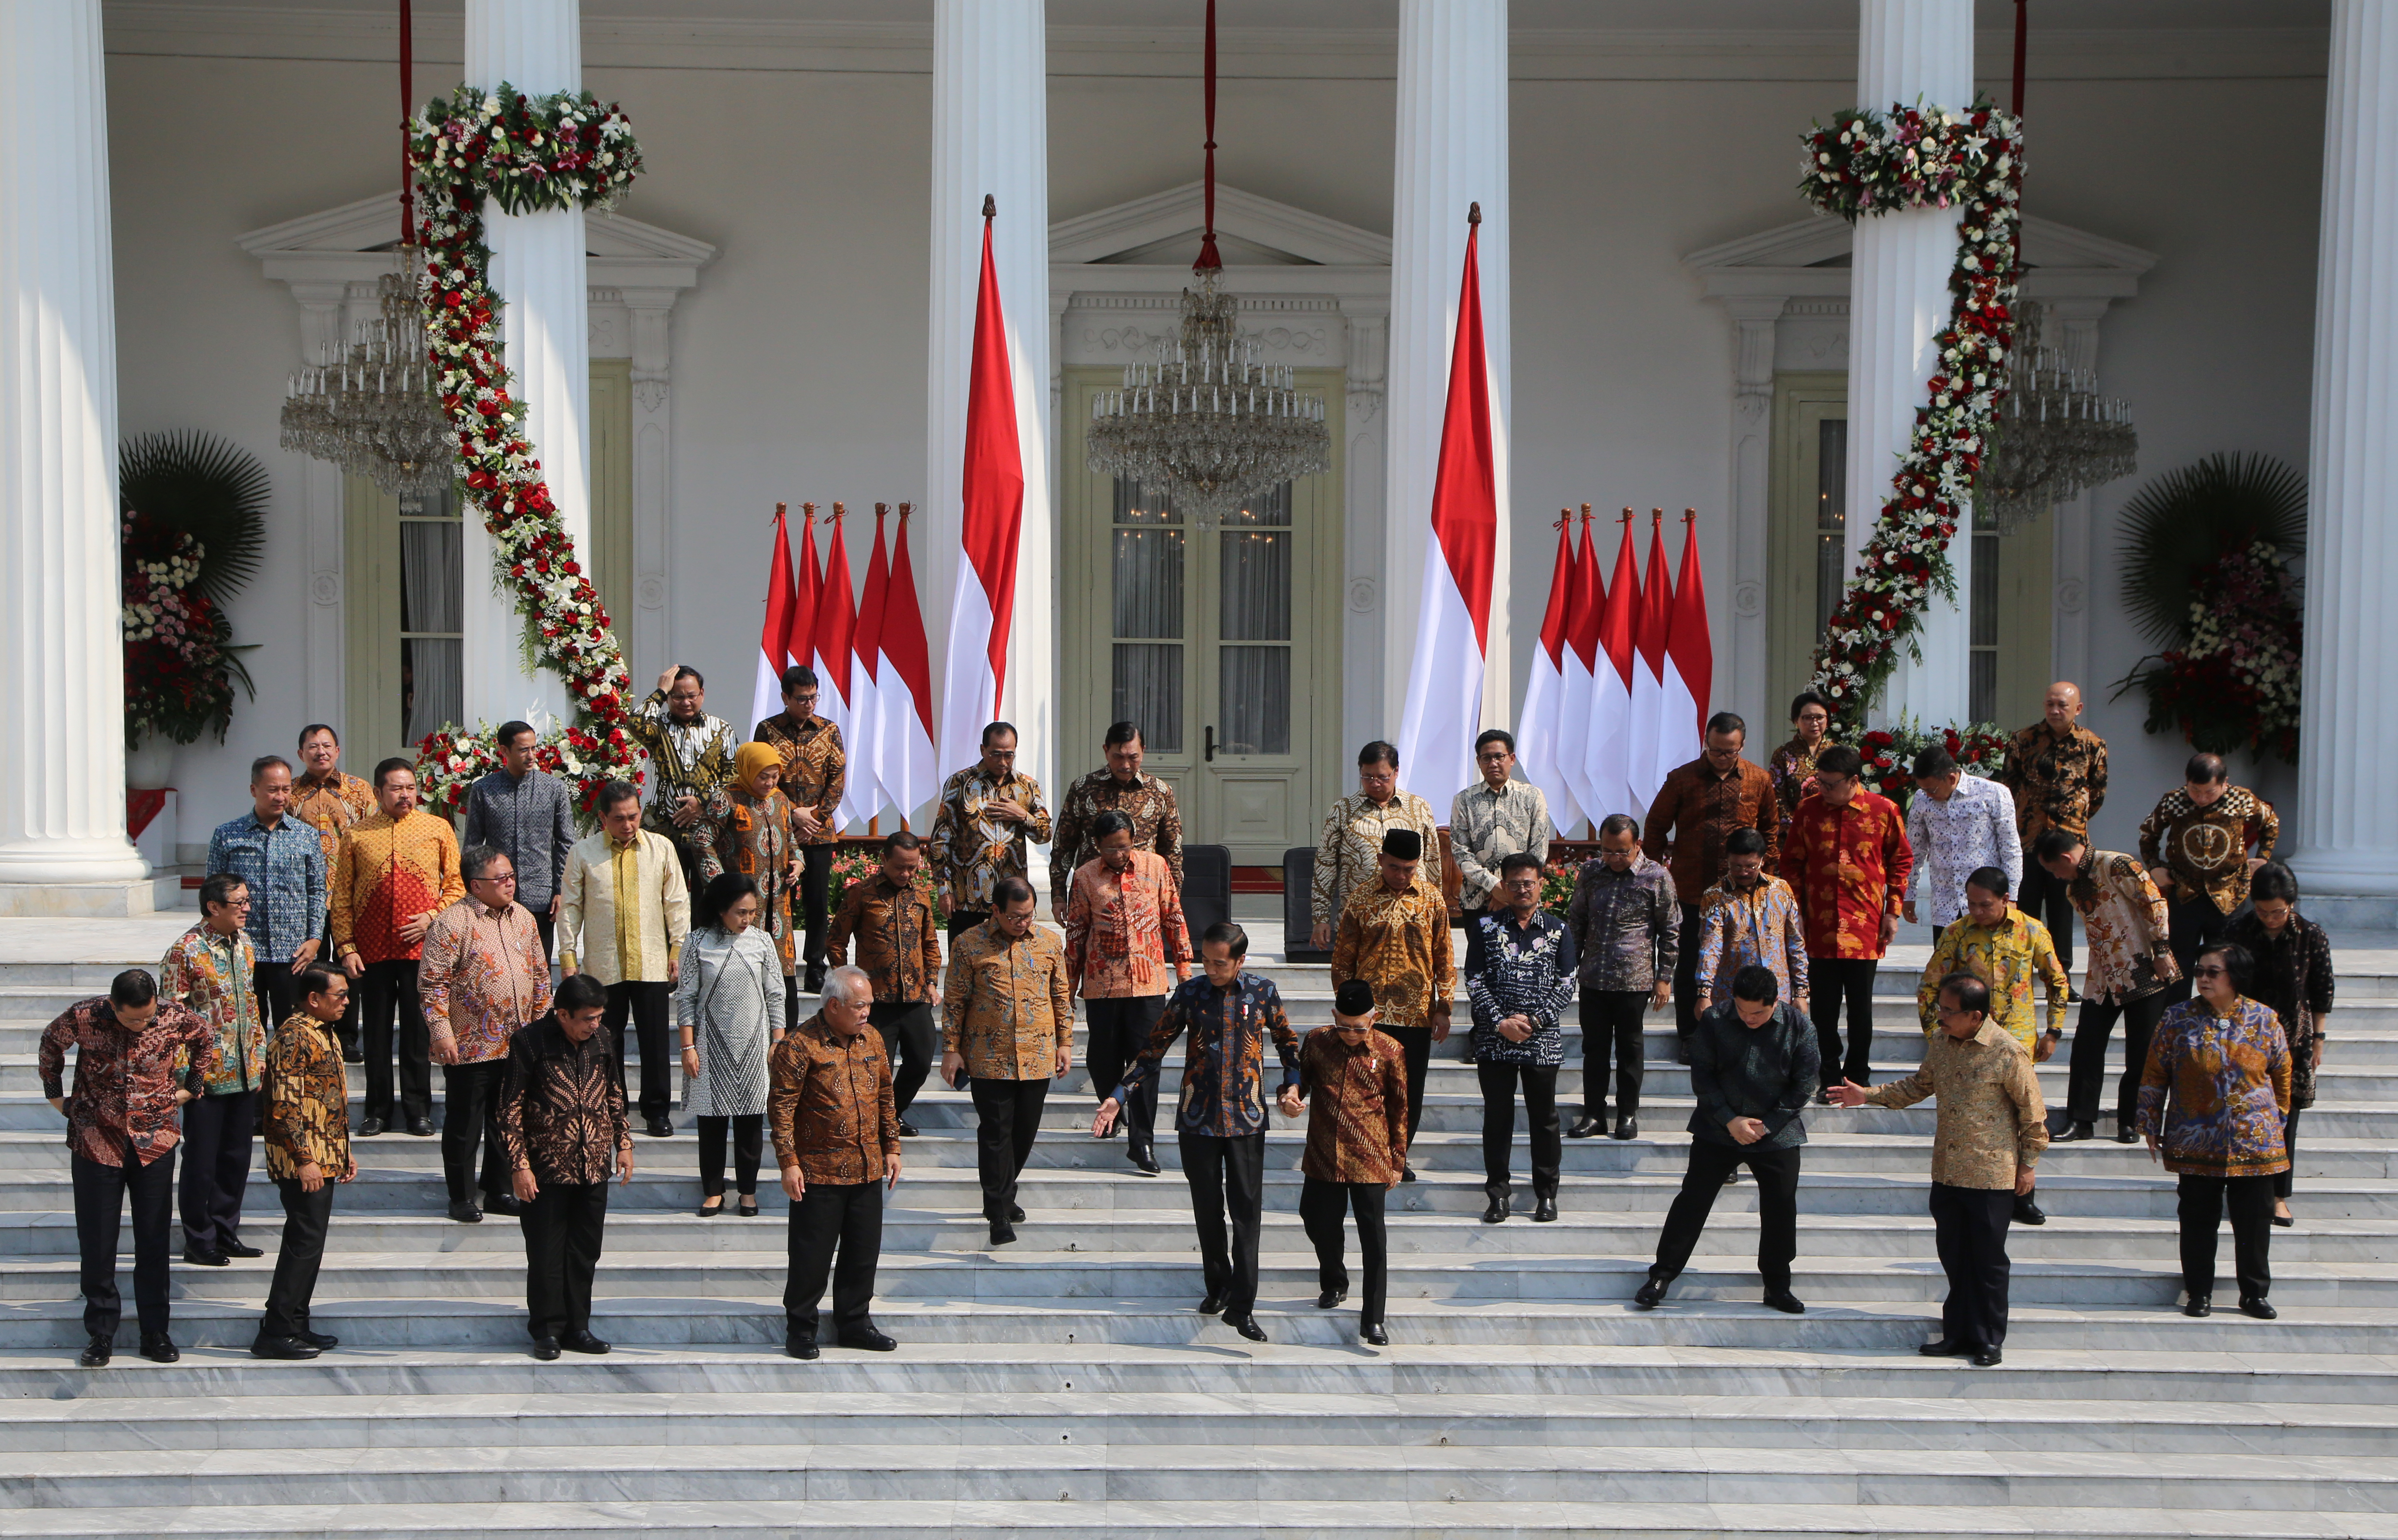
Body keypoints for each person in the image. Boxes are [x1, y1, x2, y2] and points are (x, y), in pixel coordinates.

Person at [1096, 922, 1301, 1341]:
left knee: (1246, 1216)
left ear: (1240, 961)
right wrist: (1120, 1095)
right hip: (1198, 1119)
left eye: (1219, 963)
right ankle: (1219, 1286)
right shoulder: (1190, 993)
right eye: (1204, 960)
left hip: (1246, 1121)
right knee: (1208, 1212)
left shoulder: (1262, 992)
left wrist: (1292, 1085)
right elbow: (1153, 1049)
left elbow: (1288, 1043)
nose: (1210, 968)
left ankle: (1243, 1306)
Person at [1834, 973, 2046, 1367]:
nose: (1940, 1016)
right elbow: (1919, 1085)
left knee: (1987, 1262)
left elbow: (2033, 1116)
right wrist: (1868, 1095)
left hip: (1991, 1175)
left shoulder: (2008, 1052)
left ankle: (1987, 1339)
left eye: (1949, 1011)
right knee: (1954, 1256)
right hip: (1948, 1172)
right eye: (1940, 1008)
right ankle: (1957, 1334)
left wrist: (2028, 1166)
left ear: (1975, 1015)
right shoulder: (1942, 1044)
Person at [40, 971, 217, 1367]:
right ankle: (101, 1333)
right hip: (97, 1141)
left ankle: (155, 1332)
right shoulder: (84, 1016)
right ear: (113, 1006)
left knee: (153, 1240)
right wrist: (57, 1098)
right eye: (133, 1019)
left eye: (147, 1017)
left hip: (154, 1142)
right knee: (98, 1242)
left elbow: (206, 1038)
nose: (142, 1025)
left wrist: (193, 1086)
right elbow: (50, 1045)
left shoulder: (174, 1015)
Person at [1633, 965, 1816, 1315]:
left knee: (1781, 1207)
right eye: (1743, 1010)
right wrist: (1730, 1120)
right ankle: (1662, 1275)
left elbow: (1805, 1084)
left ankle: (1777, 1284)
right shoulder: (1716, 1020)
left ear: (1775, 1002)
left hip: (1775, 1132)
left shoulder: (1799, 1026)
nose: (1749, 1018)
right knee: (1693, 1201)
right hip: (1718, 1128)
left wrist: (1766, 1125)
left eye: (1758, 1013)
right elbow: (1702, 1076)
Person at [2139, 942, 2292, 1321]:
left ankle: (2254, 1294)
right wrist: (2149, 1121)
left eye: (2213, 972)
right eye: (2200, 972)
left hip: (2254, 1142)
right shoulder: (2177, 1018)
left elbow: (2283, 1074)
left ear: (2234, 977)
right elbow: (2156, 1073)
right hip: (2196, 1138)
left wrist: (2278, 1118)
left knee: (2254, 1222)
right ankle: (2199, 1292)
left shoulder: (2264, 1019)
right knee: (2197, 1220)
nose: (2204, 979)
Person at [1916, 866, 2069, 1224]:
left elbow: (2057, 981)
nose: (1978, 912)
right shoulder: (1957, 932)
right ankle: (1974, 1190)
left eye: (1985, 905)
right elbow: (1929, 987)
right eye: (1971, 904)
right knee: (1976, 1118)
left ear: (2005, 899)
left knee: (2023, 1115)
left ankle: (2024, 1195)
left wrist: (2054, 1031)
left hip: (2015, 1040)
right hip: (1967, 1041)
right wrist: (1937, 1038)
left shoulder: (2031, 931)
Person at [498, 973, 635, 1360]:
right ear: (562, 1014)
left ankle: (579, 1326)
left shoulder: (603, 1040)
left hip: (593, 1165)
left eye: (599, 1017)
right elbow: (509, 1110)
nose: (595, 1025)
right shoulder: (529, 1042)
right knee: (546, 1252)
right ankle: (547, 1329)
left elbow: (614, 1092)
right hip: (545, 1169)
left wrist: (622, 1143)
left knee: (585, 1251)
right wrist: (519, 1166)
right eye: (587, 1018)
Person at [771, 965, 902, 1359]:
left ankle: (855, 1322)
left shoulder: (873, 1039)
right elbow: (780, 1108)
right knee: (811, 1256)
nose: (866, 1014)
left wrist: (892, 1147)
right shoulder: (799, 1045)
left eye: (869, 1006)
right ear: (833, 1006)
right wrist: (788, 1162)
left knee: (863, 1253)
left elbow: (885, 1095)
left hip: (867, 1166)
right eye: (859, 1006)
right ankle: (801, 1328)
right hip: (818, 1171)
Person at [420, 846, 554, 1224]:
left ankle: (498, 1190)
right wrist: (442, 1032)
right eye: (501, 878)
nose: (510, 883)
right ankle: (461, 1196)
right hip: (469, 1045)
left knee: (507, 1120)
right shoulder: (452, 922)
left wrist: (543, 1029)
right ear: (476, 885)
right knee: (465, 1124)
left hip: (518, 1042)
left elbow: (541, 978)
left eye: (512, 876)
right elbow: (432, 984)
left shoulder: (525, 919)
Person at [331, 757, 463, 1136]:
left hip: (422, 949)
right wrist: (346, 947)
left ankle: (417, 1110)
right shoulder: (356, 835)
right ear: (377, 793)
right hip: (370, 951)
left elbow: (456, 885)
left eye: (410, 788)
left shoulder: (437, 828)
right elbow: (340, 896)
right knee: (375, 1034)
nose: (405, 795)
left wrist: (432, 917)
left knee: (418, 1034)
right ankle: (377, 1110)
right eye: (396, 789)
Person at [943, 877, 1072, 1246]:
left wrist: (1065, 1042)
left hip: (1037, 1054)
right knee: (996, 1133)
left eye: (1029, 915)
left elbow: (1061, 995)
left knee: (1024, 1133)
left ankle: (1004, 1191)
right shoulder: (969, 944)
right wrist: (951, 1048)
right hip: (988, 1056)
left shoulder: (1049, 942)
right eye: (1015, 916)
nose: (1023, 922)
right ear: (996, 911)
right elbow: (954, 1001)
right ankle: (998, 1212)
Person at [1063, 809, 1193, 1177]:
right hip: (1103, 984)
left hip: (1148, 983)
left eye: (1124, 847)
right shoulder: (1086, 877)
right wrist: (1068, 989)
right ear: (1097, 846)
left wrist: (1185, 971)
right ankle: (1113, 1107)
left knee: (1145, 1063)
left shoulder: (1155, 867)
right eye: (1111, 849)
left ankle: (1143, 1141)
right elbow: (1076, 934)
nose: (1119, 855)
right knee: (1101, 1060)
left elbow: (1174, 917)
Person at [559, 780, 691, 1140]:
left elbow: (677, 901)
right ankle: (608, 1110)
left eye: (634, 817)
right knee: (604, 1042)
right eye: (619, 818)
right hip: (603, 966)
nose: (628, 825)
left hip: (651, 960)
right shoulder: (583, 853)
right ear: (603, 817)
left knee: (654, 1043)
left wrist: (677, 949)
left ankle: (656, 1111)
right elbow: (570, 906)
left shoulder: (661, 848)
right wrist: (568, 957)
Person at [1279, 979, 1408, 1346]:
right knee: (1316, 1219)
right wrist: (1290, 1096)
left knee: (1374, 1239)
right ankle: (1334, 1280)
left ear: (1374, 1019)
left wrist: (1398, 1160)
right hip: (1325, 1152)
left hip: (1370, 1157)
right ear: (1334, 1016)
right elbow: (1298, 1081)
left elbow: (1401, 1108)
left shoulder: (1390, 1051)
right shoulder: (1318, 1042)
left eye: (1359, 1027)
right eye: (1343, 1025)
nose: (1350, 1034)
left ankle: (1374, 1319)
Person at [1645, 712, 1779, 1059]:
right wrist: (1653, 878)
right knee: (1691, 965)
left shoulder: (1758, 780)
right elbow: (1656, 829)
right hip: (1692, 891)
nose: (1722, 757)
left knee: (1740, 963)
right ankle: (1691, 1037)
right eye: (1716, 750)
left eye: (1729, 752)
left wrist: (1769, 881)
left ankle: (1738, 1031)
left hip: (1742, 894)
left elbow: (1770, 832)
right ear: (1706, 743)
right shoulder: (1682, 779)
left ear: (1742, 746)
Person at [2033, 828, 2180, 1145]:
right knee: (2087, 1047)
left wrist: (2163, 950)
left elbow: (2154, 903)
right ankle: (2081, 1120)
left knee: (2141, 1052)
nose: (2056, 877)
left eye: (2055, 870)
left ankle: (2132, 1122)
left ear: (2066, 858)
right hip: (2102, 978)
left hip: (2145, 968)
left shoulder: (2117, 865)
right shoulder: (2075, 888)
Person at [1782, 744, 1912, 1096]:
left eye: (1829, 783)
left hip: (1865, 926)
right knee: (1822, 1011)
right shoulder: (1808, 810)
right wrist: (1795, 914)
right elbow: (1791, 862)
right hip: (1818, 927)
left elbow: (1901, 861)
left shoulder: (1884, 810)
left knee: (1860, 1010)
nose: (1821, 789)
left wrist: (1893, 911)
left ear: (1854, 781)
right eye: (1819, 782)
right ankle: (1828, 1076)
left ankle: (1858, 1076)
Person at [1329, 827, 1454, 1182]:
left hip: (1416, 1016)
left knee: (1407, 1092)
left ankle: (1398, 1157)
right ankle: (1366, 1154)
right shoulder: (1362, 898)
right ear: (1381, 860)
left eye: (1410, 869)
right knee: (1365, 1089)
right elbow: (1343, 960)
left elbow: (1444, 958)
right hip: (1370, 1019)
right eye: (1395, 867)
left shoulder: (1431, 900)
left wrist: (1443, 1007)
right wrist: (1347, 1010)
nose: (1402, 876)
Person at [159, 873, 268, 1266]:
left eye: (247, 900)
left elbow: (252, 1007)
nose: (247, 908)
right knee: (202, 1160)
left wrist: (258, 1056)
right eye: (239, 902)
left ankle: (226, 1230)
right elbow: (170, 1021)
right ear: (213, 907)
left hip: (243, 1070)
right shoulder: (185, 951)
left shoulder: (245, 945)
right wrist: (188, 1077)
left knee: (236, 1157)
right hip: (204, 1076)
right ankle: (199, 1238)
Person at [1464, 851, 1577, 1222]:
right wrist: (1500, 1023)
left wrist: (1533, 1021)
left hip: (1541, 1040)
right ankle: (1498, 1195)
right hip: (1495, 1040)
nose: (1522, 890)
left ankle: (1547, 1194)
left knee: (1544, 1120)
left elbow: (1566, 985)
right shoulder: (1484, 928)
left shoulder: (1559, 929)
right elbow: (1475, 980)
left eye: (1529, 883)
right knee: (1498, 1119)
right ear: (1504, 887)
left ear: (1541, 885)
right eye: (1514, 884)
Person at [254, 965, 355, 1360]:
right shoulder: (294, 1036)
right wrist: (304, 1159)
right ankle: (277, 1329)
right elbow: (283, 1103)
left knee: (311, 1242)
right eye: (339, 995)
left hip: (323, 1153)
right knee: (304, 1241)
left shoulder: (322, 1032)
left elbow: (327, 1100)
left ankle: (296, 1322)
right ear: (314, 999)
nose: (346, 1002)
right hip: (303, 1159)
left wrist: (343, 1154)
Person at [2226, 863, 2333, 1226]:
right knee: (2241, 1114)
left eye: (2278, 912)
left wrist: (2318, 1040)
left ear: (2291, 904)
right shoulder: (2239, 931)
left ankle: (2278, 1196)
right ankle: (2241, 1188)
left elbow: (2321, 992)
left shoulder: (2310, 936)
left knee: (2286, 1120)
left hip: (2294, 1041)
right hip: (2244, 1041)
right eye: (2262, 911)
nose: (2270, 918)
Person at [677, 872, 788, 1217]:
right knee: (711, 1122)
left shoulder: (763, 942)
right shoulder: (697, 942)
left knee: (751, 1123)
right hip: (710, 1044)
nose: (748, 919)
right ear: (722, 910)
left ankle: (747, 1192)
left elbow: (776, 994)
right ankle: (713, 1191)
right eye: (741, 912)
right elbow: (685, 997)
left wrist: (777, 1041)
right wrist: (687, 1047)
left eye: (752, 912)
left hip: (754, 1044)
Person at [1564, 814, 1678, 1139]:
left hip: (1634, 980)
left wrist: (1664, 977)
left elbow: (1670, 930)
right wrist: (1570, 966)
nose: (1614, 859)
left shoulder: (1656, 876)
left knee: (1630, 1050)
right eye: (1607, 851)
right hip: (1594, 978)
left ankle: (1627, 1114)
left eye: (1622, 852)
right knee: (1594, 1050)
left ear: (1637, 845)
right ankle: (1593, 1114)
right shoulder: (1590, 873)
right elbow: (1577, 920)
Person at [828, 830, 944, 1136]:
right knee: (874, 1068)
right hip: (876, 1002)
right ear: (884, 861)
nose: (906, 874)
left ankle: (891, 1114)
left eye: (913, 868)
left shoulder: (920, 897)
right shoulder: (861, 894)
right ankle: (873, 1124)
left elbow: (930, 944)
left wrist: (932, 982)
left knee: (920, 1062)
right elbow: (836, 940)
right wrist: (847, 982)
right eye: (900, 867)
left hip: (916, 998)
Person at [2139, 751, 2280, 1003]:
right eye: (2195, 791)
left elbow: (2270, 823)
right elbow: (2149, 834)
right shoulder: (2174, 801)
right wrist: (2154, 867)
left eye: (2210, 792)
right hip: (2185, 893)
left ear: (2225, 783)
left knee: (2227, 960)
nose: (2202, 798)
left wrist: (2264, 858)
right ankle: (2178, 1019)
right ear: (2187, 782)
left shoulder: (2242, 799)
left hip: (2228, 894)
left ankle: (2224, 1014)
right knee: (2179, 960)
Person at [205, 753, 326, 1031]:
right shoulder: (228, 835)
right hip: (243, 949)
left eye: (286, 790)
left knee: (294, 1032)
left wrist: (315, 939)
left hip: (293, 953)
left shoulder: (306, 836)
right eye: (273, 790)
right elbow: (212, 892)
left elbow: (317, 890)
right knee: (247, 1030)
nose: (281, 797)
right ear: (254, 790)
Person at [1996, 681, 2108, 971]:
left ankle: (2061, 975)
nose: (2055, 711)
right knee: (2026, 908)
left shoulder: (2092, 745)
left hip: (2068, 844)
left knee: (2063, 910)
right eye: (2050, 705)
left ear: (2078, 709)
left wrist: (2073, 819)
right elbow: (2009, 785)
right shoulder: (2023, 740)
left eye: (2063, 706)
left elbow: (2096, 794)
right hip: (2028, 839)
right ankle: (2021, 973)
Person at [752, 664, 845, 994]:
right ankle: (779, 965)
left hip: (819, 830)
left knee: (818, 902)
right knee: (780, 899)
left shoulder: (829, 730)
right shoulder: (768, 730)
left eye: (814, 697)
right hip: (778, 827)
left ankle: (816, 967)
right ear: (786, 697)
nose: (809, 704)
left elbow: (837, 779)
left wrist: (814, 817)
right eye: (803, 699)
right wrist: (794, 815)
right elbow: (759, 775)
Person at [695, 743, 802, 1026]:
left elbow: (790, 839)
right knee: (744, 968)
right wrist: (722, 887)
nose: (769, 783)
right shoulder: (726, 800)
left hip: (778, 904)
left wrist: (798, 862)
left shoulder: (780, 800)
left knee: (781, 974)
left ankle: (783, 1041)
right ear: (747, 771)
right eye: (762, 776)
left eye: (774, 776)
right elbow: (702, 840)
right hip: (742, 908)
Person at [460, 719, 577, 961]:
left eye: (534, 748)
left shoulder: (554, 788)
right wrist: (475, 892)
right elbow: (472, 844)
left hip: (541, 897)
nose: (532, 755)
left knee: (538, 967)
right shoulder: (484, 790)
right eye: (524, 750)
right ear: (504, 751)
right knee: (498, 966)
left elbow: (566, 842)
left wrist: (560, 889)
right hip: (495, 896)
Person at [293, 724, 375, 1060]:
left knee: (349, 965)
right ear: (301, 754)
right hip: (304, 896)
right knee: (309, 967)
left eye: (327, 746)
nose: (320, 752)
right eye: (313, 747)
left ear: (338, 751)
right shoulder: (292, 793)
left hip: (350, 895)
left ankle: (347, 1036)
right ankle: (310, 1032)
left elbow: (374, 832)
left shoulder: (359, 789)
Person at [1309, 741, 1441, 951]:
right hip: (1359, 919)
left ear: (1396, 771)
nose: (1375, 783)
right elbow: (1325, 866)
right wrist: (1321, 918)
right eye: (1367, 777)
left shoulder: (1419, 808)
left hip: (1412, 917)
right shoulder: (1342, 811)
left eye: (1382, 777)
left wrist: (1437, 913)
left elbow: (1433, 862)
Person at [929, 721, 1053, 939]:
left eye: (1010, 755)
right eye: (996, 754)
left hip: (1011, 905)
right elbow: (940, 841)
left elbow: (1044, 835)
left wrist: (1022, 816)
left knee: (1008, 967)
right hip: (967, 899)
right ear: (983, 750)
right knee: (965, 967)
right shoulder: (960, 783)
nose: (1003, 762)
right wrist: (943, 889)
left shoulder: (1027, 786)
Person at [1049, 719, 1184, 915]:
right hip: (1092, 897)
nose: (1126, 765)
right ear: (1106, 751)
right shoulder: (1084, 789)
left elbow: (1173, 850)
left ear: (1143, 751)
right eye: (1118, 757)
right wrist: (1059, 895)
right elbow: (1063, 846)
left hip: (1144, 899)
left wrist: (1172, 898)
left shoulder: (1160, 792)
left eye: (1133, 757)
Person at [628, 663, 739, 892]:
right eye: (678, 696)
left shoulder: (721, 728)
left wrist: (703, 802)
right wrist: (659, 691)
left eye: (692, 696)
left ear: (702, 694)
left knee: (708, 897)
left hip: (709, 828)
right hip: (664, 827)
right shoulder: (657, 728)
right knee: (665, 895)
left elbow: (733, 775)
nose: (686, 702)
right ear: (669, 698)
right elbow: (634, 723)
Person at [1902, 747, 2021, 942]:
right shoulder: (1922, 800)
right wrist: (1910, 893)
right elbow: (1915, 850)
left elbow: (2011, 849)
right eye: (1923, 789)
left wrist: (2012, 897)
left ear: (1951, 778)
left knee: (1986, 967)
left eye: (1932, 789)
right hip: (1945, 901)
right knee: (1946, 968)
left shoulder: (1993, 793)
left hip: (1986, 902)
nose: (1928, 795)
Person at [1691, 827, 1809, 1020]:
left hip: (1777, 995)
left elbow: (1796, 943)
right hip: (1733, 995)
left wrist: (1802, 992)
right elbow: (1710, 947)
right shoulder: (1715, 896)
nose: (1743, 872)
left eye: (1751, 866)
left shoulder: (1781, 891)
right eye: (1736, 866)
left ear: (1762, 860)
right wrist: (1704, 993)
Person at [1449, 729, 1556, 917]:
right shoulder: (1464, 800)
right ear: (1479, 762)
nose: (1493, 764)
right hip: (1478, 900)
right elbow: (1461, 851)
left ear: (1512, 759)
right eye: (1487, 758)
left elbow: (1539, 851)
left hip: (1524, 899)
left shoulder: (1532, 797)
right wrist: (1494, 886)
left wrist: (1509, 889)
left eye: (1499, 757)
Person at [1767, 691, 1834, 857]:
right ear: (1796, 721)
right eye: (1808, 718)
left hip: (1831, 835)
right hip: (1794, 836)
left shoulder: (1837, 753)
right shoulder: (1784, 754)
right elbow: (1776, 797)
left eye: (1820, 717)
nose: (1815, 723)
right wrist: (1799, 828)